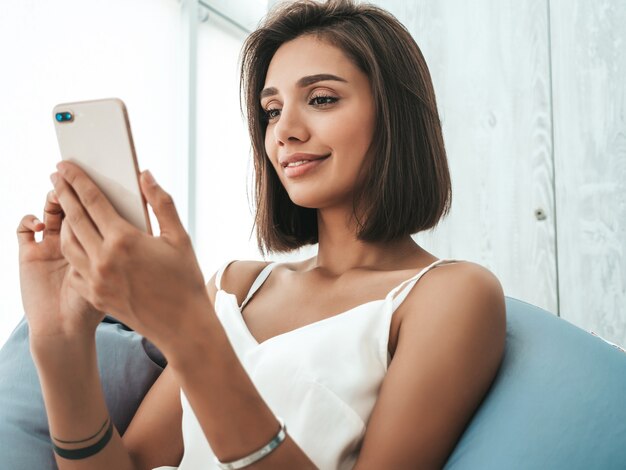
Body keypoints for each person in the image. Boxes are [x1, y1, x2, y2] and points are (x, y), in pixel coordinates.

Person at [16, 0, 506, 468]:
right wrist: (59, 343)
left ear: (395, 116)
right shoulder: (235, 286)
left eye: (321, 99)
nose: (284, 130)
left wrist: (188, 334)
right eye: (271, 110)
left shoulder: (451, 295)